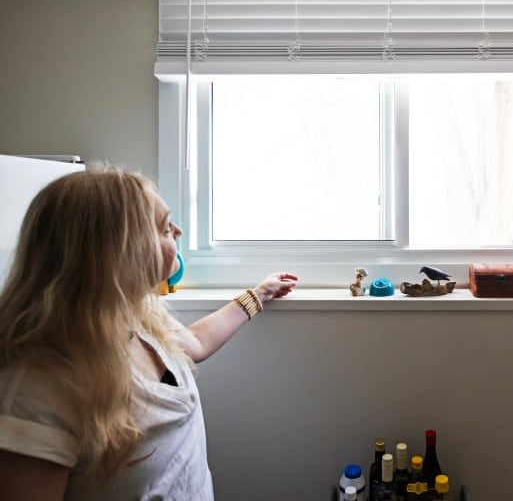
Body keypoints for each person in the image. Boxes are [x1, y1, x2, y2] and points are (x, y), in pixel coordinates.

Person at [0, 164, 298, 500]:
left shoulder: (136, 313)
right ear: (115, 252)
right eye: (163, 227)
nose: (179, 231)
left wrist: (257, 296)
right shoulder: (38, 388)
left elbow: (195, 342)